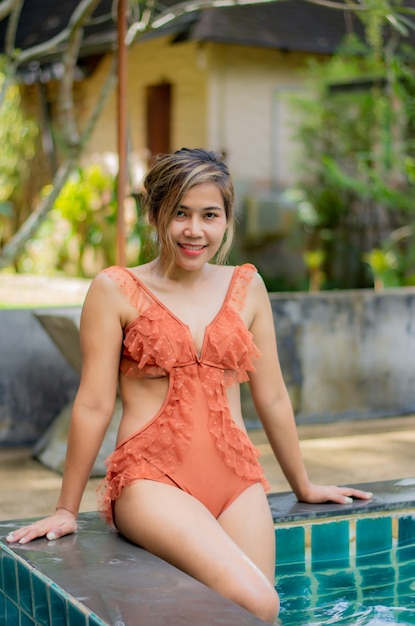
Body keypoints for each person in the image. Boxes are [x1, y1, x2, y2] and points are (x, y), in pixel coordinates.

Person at [7, 148, 372, 624]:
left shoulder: (247, 286)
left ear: (226, 220)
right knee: (257, 600)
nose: (194, 230)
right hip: (153, 481)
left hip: (236, 480)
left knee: (259, 612)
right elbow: (94, 403)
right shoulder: (114, 289)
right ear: (155, 214)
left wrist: (302, 483)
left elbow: (274, 395)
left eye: (209, 215)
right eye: (180, 213)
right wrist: (65, 508)